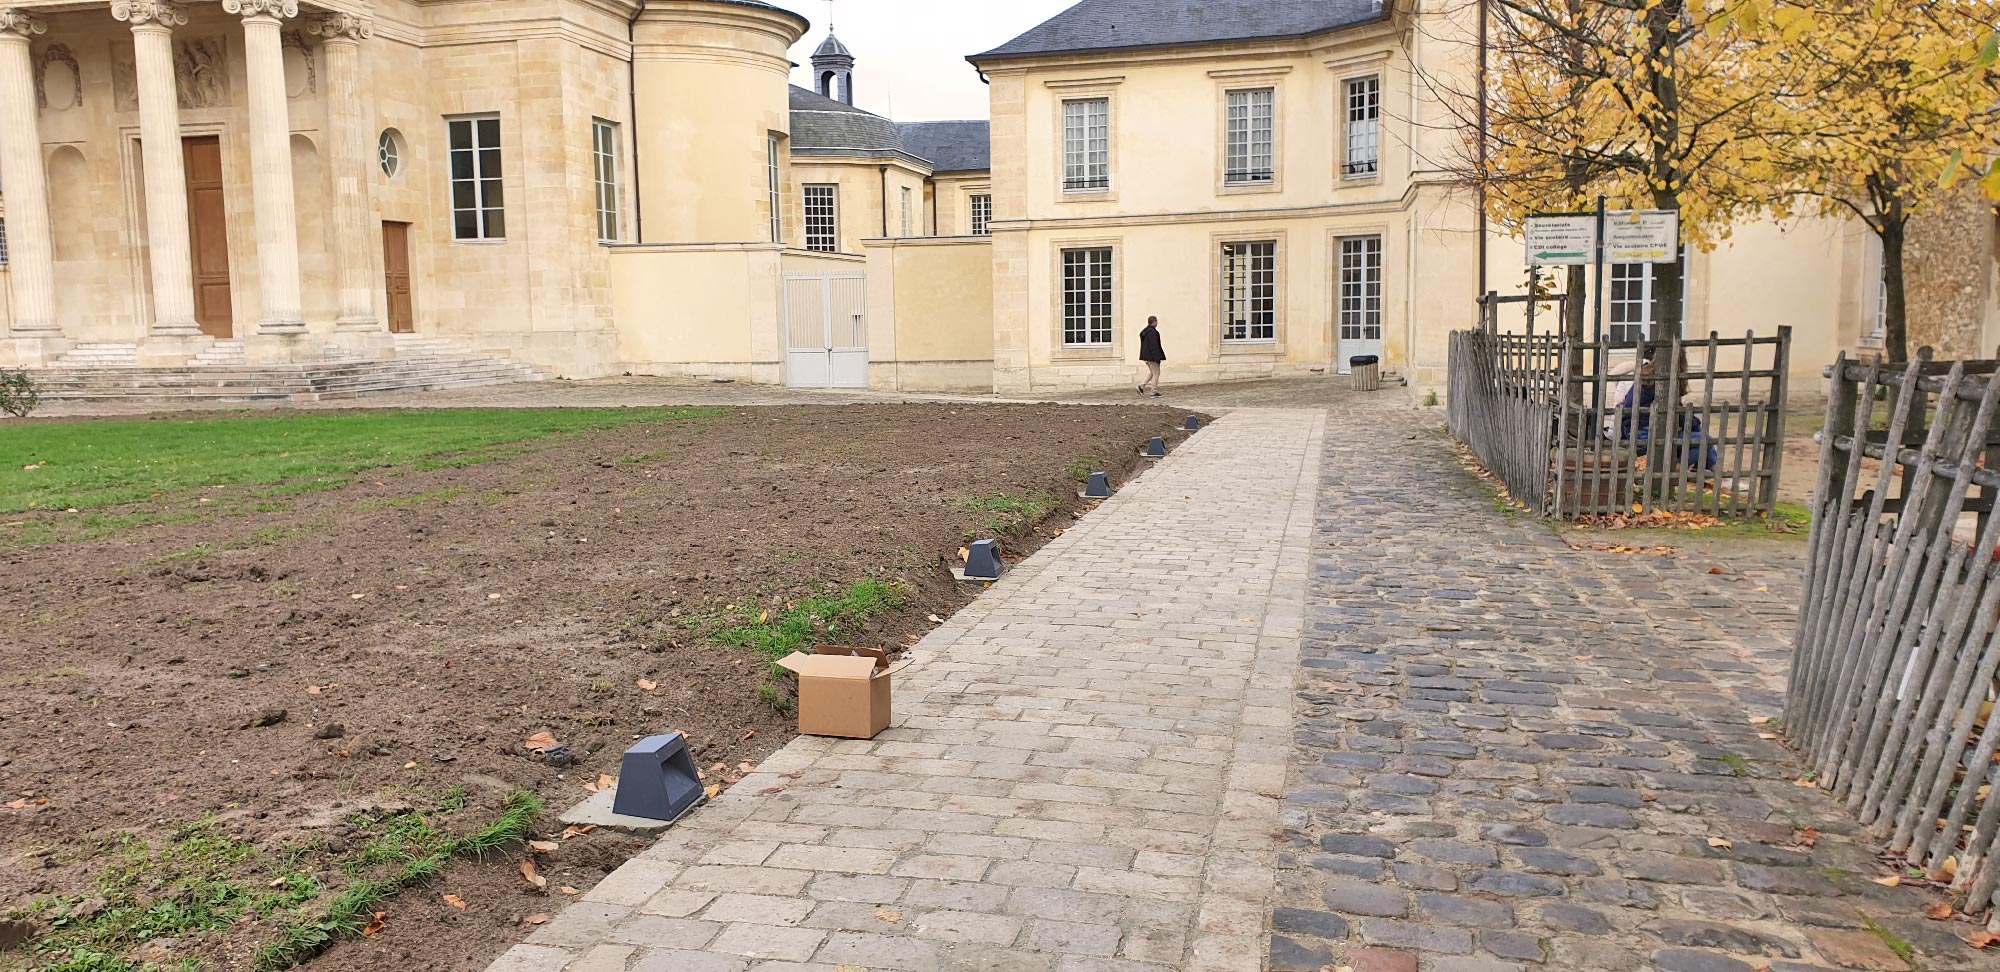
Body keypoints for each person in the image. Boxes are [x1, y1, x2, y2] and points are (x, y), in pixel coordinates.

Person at [1138, 317, 1165, 398]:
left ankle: (1142, 386)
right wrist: (1157, 358)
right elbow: (1154, 346)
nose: (1157, 323)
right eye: (1156, 321)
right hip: (1152, 356)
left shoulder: (1145, 331)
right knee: (1156, 373)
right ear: (1154, 322)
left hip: (1146, 356)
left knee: (1152, 372)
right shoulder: (1152, 332)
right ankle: (1153, 391)